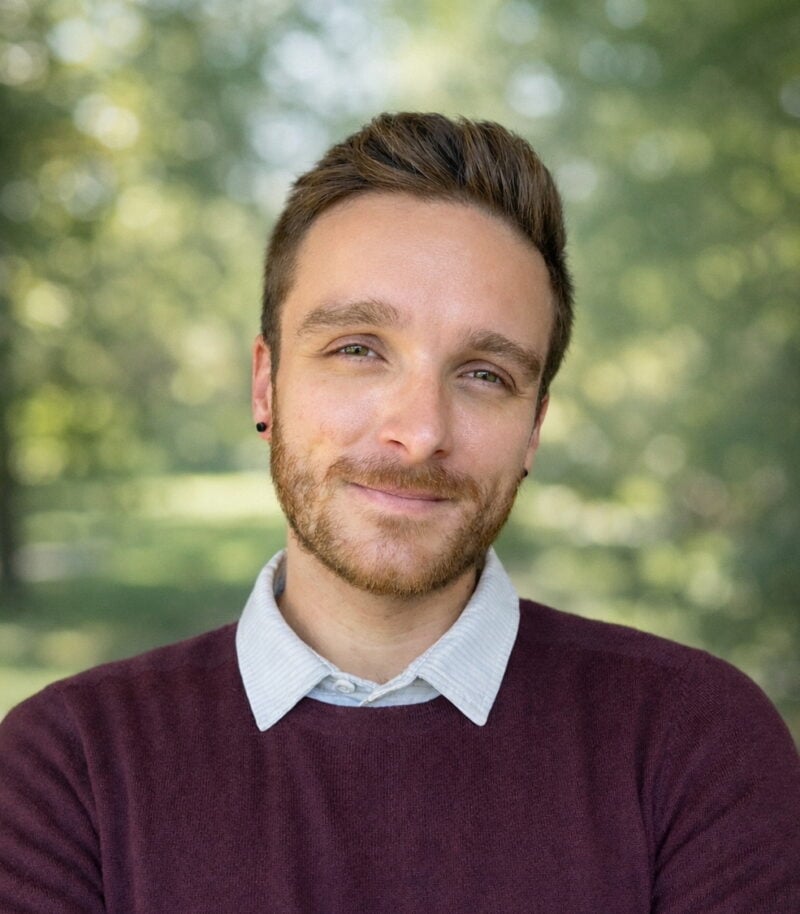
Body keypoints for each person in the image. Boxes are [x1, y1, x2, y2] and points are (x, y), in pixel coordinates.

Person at [0, 113, 798, 913]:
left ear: (533, 428)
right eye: (357, 349)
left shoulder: (696, 744)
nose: (419, 434)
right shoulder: (68, 771)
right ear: (266, 385)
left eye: (484, 374)